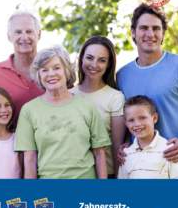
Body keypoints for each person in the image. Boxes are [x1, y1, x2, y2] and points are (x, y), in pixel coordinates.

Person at [15, 45, 111, 179]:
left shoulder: (86, 106)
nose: (51, 74)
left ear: (67, 70)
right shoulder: (29, 110)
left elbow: (99, 153)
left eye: (56, 68)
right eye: (44, 70)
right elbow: (30, 158)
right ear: (39, 75)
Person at [117, 3, 178, 162]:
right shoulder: (122, 75)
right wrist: (124, 145)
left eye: (156, 28)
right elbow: (129, 118)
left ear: (163, 33)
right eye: (144, 28)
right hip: (141, 169)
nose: (150, 33)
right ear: (133, 32)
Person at [0, 11, 43, 126]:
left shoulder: (52, 71)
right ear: (9, 36)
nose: (24, 37)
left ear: (39, 34)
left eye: (29, 31)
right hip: (7, 142)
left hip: (50, 142)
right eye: (18, 32)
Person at [72, 36, 125, 178]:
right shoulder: (68, 95)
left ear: (108, 64)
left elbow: (116, 145)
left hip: (107, 175)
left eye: (102, 60)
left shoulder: (115, 97)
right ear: (81, 59)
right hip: (77, 175)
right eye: (89, 58)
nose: (94, 64)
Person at [118, 95, 178, 179]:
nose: (137, 124)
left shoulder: (170, 150)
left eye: (142, 118)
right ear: (126, 123)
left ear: (155, 118)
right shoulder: (125, 154)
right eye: (131, 120)